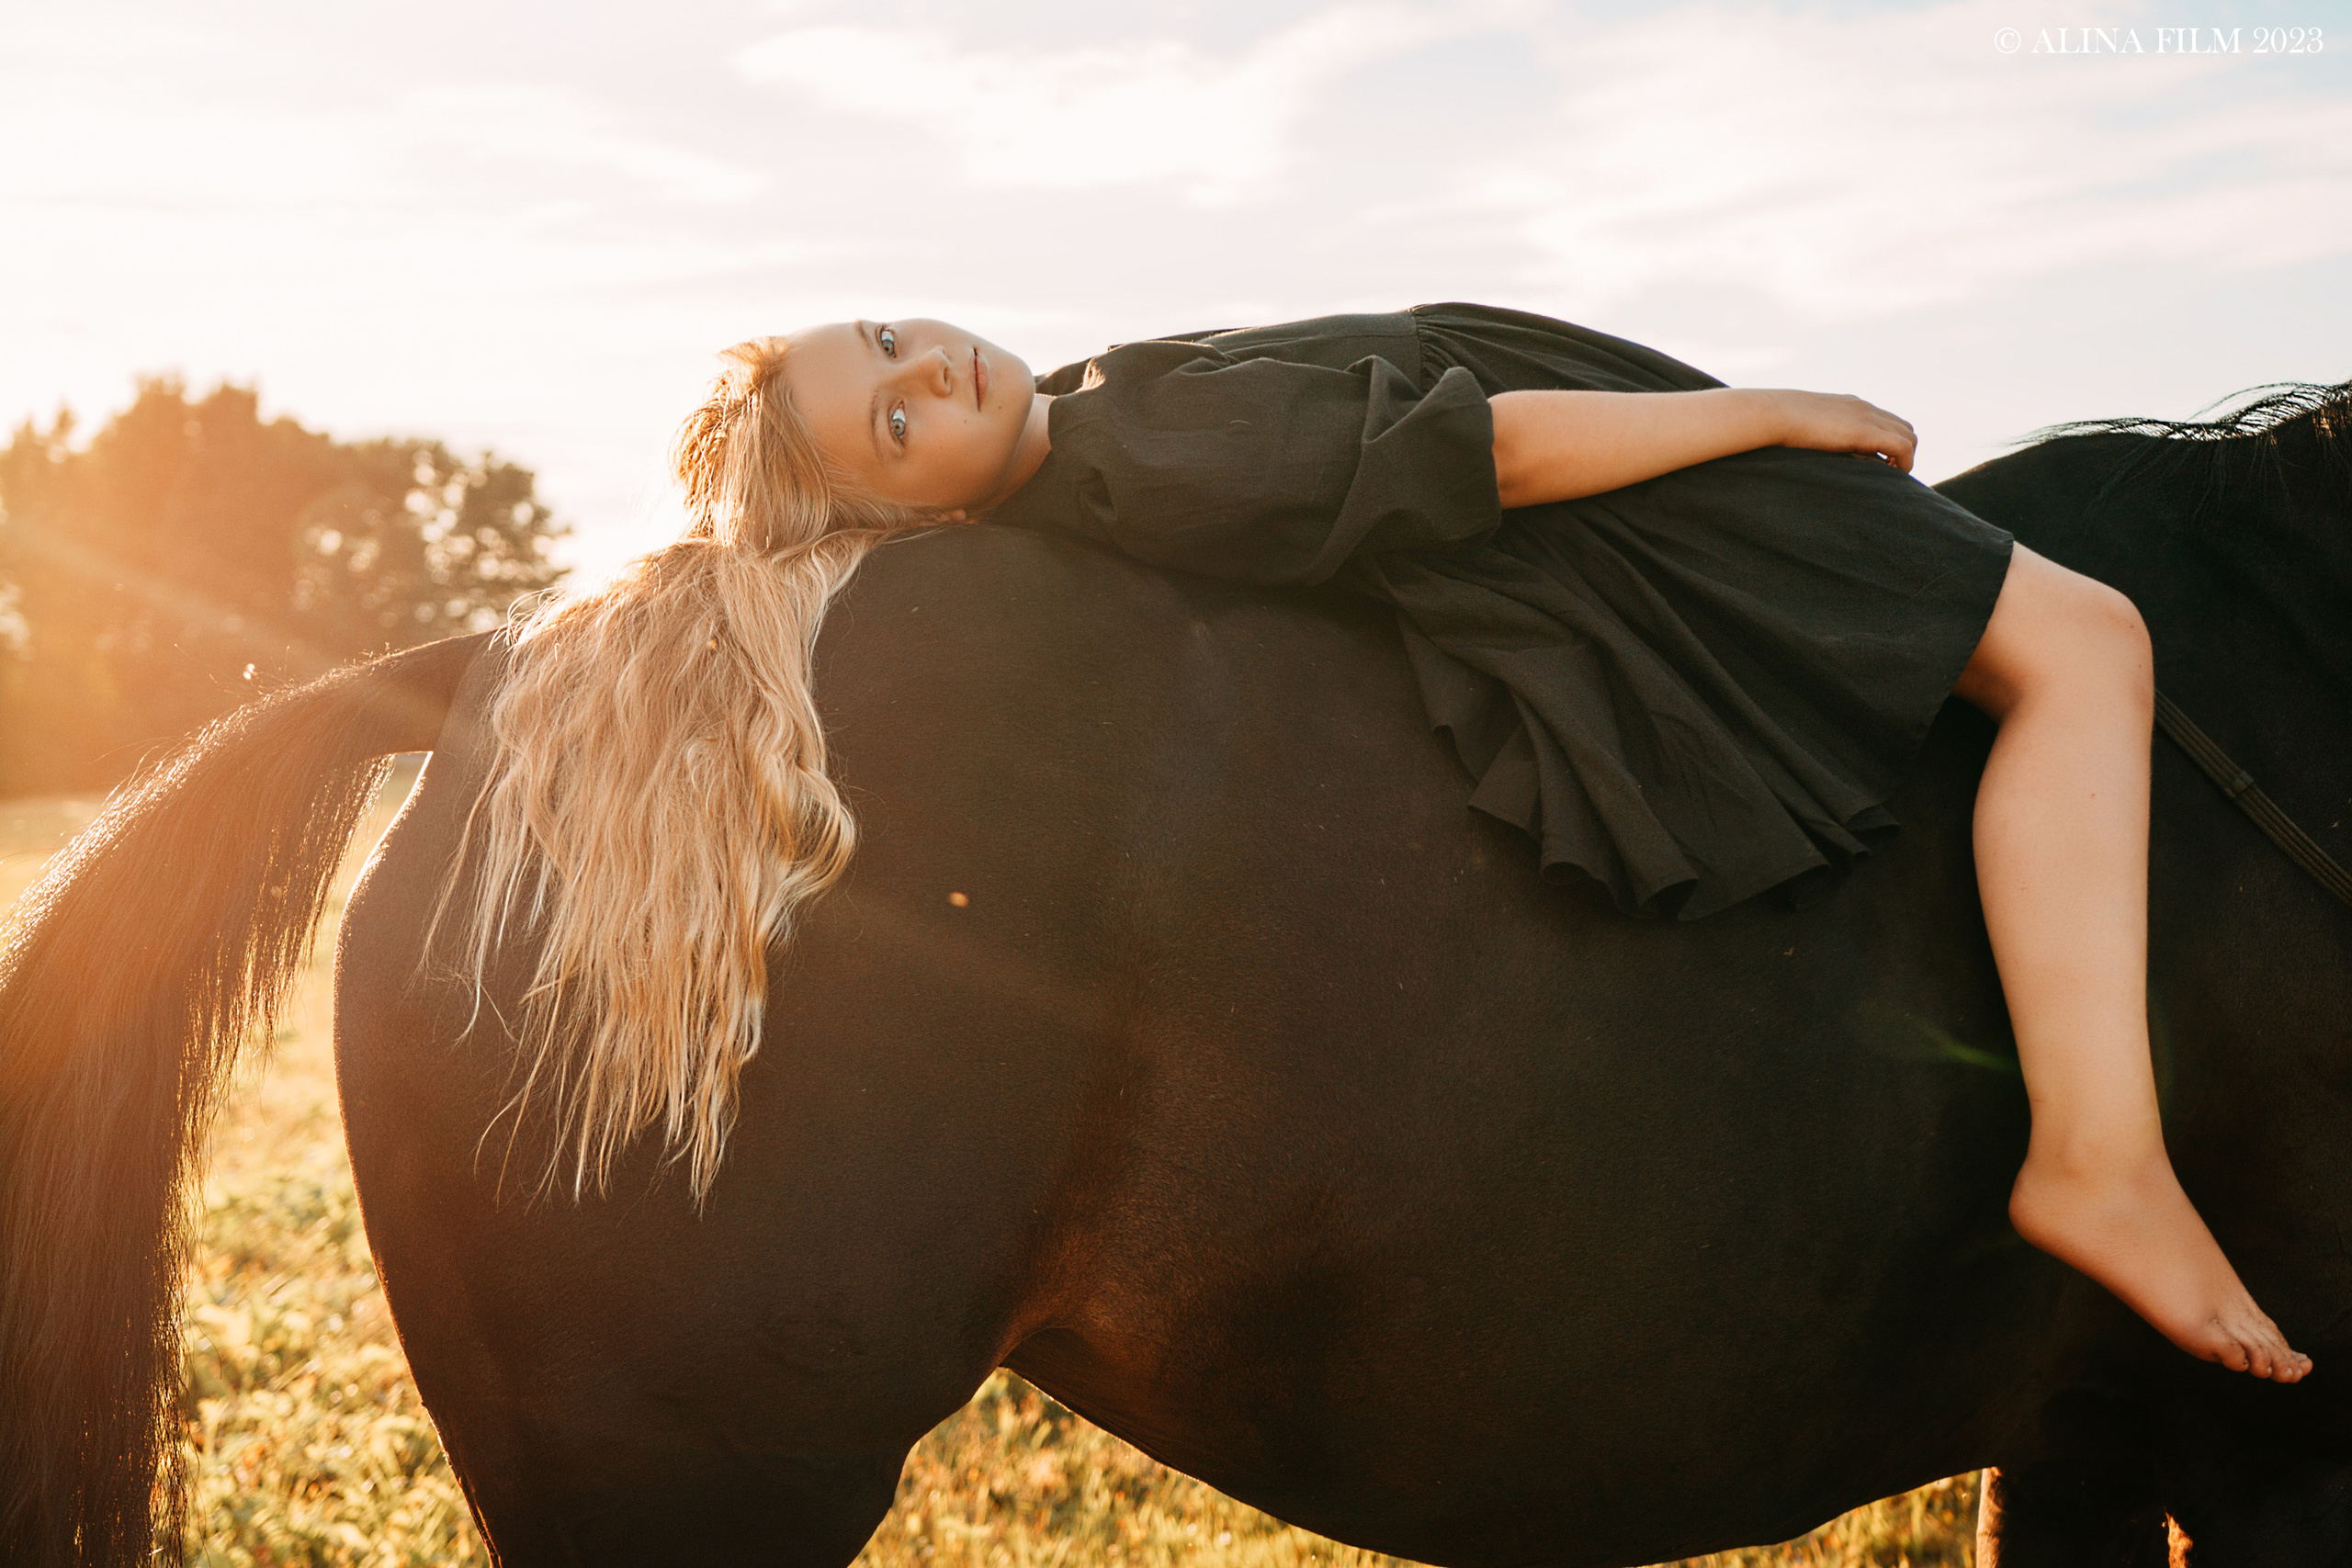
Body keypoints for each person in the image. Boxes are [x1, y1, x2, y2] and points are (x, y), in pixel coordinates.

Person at [482, 304, 2311, 1378]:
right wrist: (1767, 414)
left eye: (890, 336)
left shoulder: (1107, 423)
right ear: (904, 514)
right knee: (2087, 644)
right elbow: (1483, 455)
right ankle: (2094, 1147)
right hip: (1658, 526)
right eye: (892, 420)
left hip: (1627, 522)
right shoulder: (1148, 448)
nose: (929, 370)